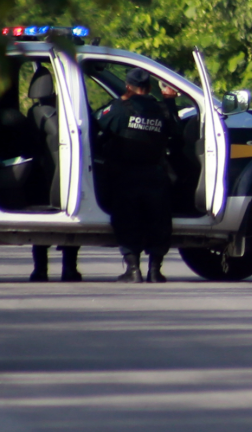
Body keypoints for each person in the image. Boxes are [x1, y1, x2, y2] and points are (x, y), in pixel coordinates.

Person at [94, 68, 180, 283]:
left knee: (127, 221)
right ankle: (155, 271)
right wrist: (169, 100)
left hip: (125, 176)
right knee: (159, 222)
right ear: (150, 88)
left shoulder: (119, 108)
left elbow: (97, 129)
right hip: (155, 175)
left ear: (128, 87)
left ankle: (133, 270)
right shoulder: (162, 110)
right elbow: (178, 135)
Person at [26, 65, 82, 282]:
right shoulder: (66, 113)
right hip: (64, 176)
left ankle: (40, 269)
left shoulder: (34, 114)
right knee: (73, 221)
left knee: (40, 223)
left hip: (41, 176)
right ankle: (70, 268)